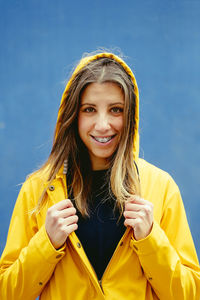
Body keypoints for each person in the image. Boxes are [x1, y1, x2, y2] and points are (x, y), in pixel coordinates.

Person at [0, 51, 200, 300]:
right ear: (73, 114)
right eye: (90, 109)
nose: (103, 125)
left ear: (130, 116)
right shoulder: (38, 189)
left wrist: (151, 240)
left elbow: (190, 294)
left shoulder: (161, 187)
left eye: (116, 110)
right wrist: (46, 243)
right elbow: (7, 293)